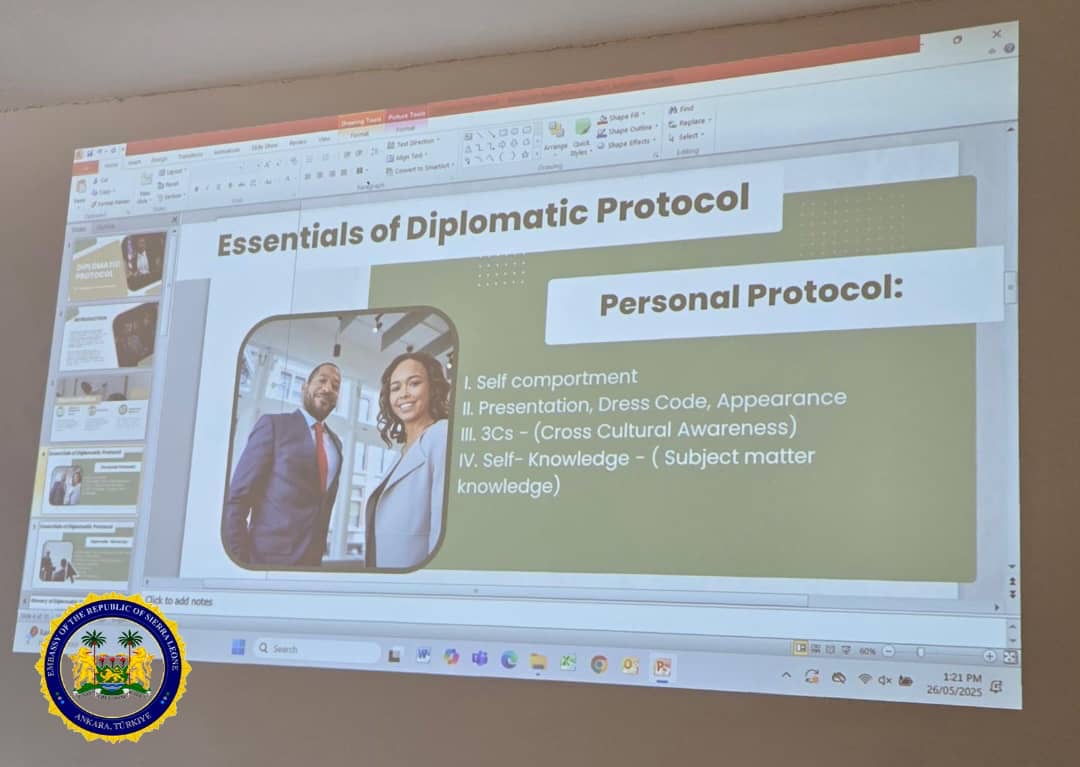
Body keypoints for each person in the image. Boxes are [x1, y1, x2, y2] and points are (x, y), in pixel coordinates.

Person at [223, 362, 344, 567]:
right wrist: (240, 560)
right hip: (266, 561)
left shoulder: (336, 444)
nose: (328, 388)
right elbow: (237, 499)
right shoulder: (273, 425)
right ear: (305, 386)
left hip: (312, 563)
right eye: (322, 380)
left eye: (335, 386)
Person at [365, 352, 451, 569]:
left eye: (414, 383)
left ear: (433, 388)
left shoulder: (442, 434)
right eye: (395, 388)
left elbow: (442, 527)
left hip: (417, 579)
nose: (403, 394)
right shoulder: (402, 452)